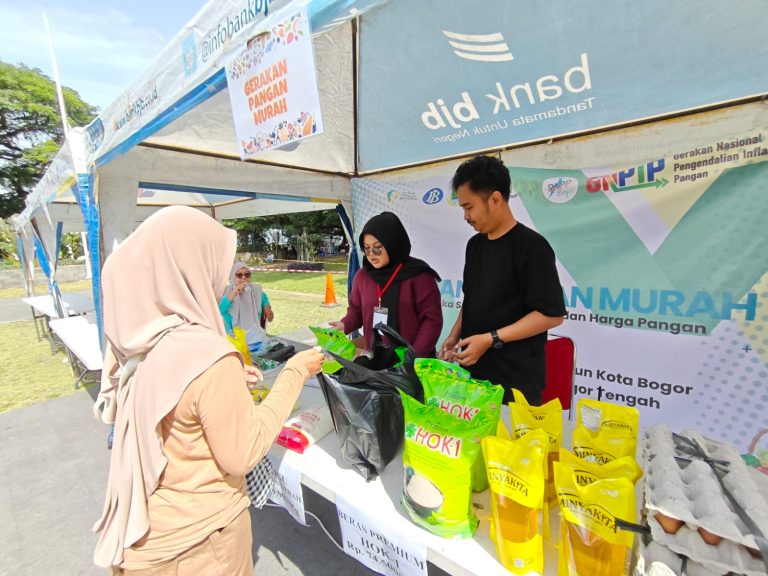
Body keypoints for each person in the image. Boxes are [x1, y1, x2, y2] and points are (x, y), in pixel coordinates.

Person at [91, 206, 324, 575]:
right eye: (217, 265)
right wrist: (294, 372)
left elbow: (178, 403)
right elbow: (243, 452)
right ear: (190, 267)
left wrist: (227, 382)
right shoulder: (205, 355)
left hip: (148, 536)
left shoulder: (142, 341)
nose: (222, 278)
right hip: (199, 546)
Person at [439, 156, 566, 404]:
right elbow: (472, 298)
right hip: (472, 376)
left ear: (495, 199)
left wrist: (491, 339)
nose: (465, 216)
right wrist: (455, 336)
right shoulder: (475, 245)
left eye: (469, 207)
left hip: (514, 383)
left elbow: (552, 314)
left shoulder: (531, 246)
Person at [330, 211, 443, 358]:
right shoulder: (362, 276)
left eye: (377, 247)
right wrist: (344, 325)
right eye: (366, 248)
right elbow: (356, 311)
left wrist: (413, 357)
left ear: (392, 243)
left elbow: (431, 322)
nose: (371, 254)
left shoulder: (419, 275)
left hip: (413, 362)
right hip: (376, 358)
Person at [219, 262, 274, 348]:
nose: (244, 277)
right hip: (235, 338)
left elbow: (270, 317)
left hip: (255, 337)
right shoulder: (228, 291)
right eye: (239, 275)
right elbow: (220, 309)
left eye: (247, 274)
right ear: (234, 277)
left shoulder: (256, 291)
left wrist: (268, 309)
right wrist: (235, 292)